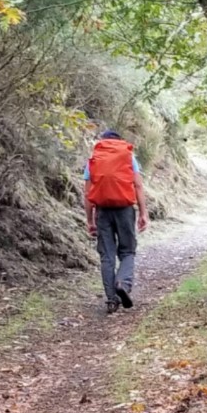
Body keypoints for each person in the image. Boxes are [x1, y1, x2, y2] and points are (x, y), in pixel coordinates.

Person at [83, 128, 150, 314]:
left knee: (107, 256)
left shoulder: (94, 159)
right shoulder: (128, 156)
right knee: (128, 251)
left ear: (103, 141)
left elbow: (88, 194)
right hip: (125, 210)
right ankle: (122, 283)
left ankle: (112, 300)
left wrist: (90, 220)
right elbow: (138, 185)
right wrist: (144, 213)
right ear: (119, 141)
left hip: (102, 211)